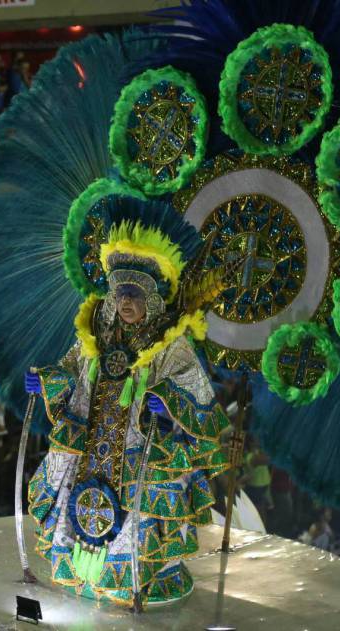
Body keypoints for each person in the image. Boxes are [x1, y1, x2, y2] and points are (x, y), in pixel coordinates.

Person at [21, 200, 230, 606]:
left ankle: (140, 578)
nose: (124, 302)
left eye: (133, 294)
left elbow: (196, 389)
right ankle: (85, 573)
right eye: (119, 293)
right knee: (76, 502)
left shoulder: (171, 340)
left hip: (141, 448)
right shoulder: (97, 328)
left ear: (152, 297)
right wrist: (45, 380)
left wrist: (167, 405)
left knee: (139, 513)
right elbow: (72, 367)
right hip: (91, 441)